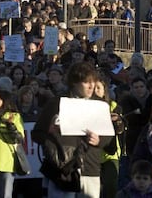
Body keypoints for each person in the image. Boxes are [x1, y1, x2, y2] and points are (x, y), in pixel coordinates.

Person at [32, 61, 112, 198]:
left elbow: (108, 136)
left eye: (93, 81)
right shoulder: (57, 103)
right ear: (75, 82)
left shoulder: (100, 105)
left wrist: (99, 140)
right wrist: (50, 135)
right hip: (62, 171)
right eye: (86, 82)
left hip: (90, 168)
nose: (91, 86)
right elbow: (37, 134)